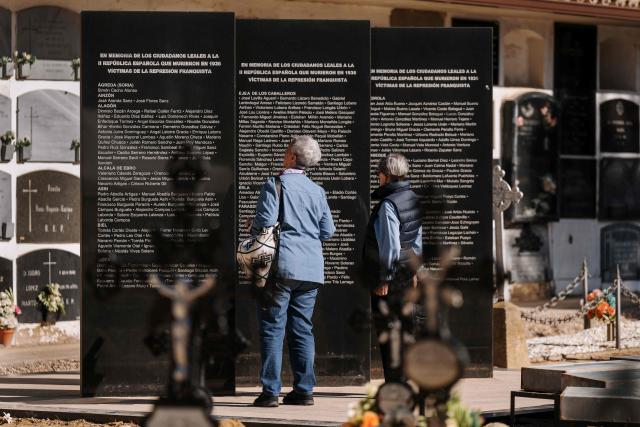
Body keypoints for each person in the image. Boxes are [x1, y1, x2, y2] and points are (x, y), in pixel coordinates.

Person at [251, 135, 335, 407]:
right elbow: (327, 231)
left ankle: (270, 392)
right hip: (311, 269)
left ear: (292, 156)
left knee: (273, 328)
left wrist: (252, 227)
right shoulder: (317, 191)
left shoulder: (275, 184)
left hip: (283, 266)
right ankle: (304, 390)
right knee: (302, 329)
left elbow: (265, 221)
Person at [363, 153, 423, 382]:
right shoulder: (412, 198)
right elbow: (417, 239)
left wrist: (383, 279)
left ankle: (395, 384)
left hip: (391, 277)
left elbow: (390, 245)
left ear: (386, 176)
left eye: (379, 175)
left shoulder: (388, 205)